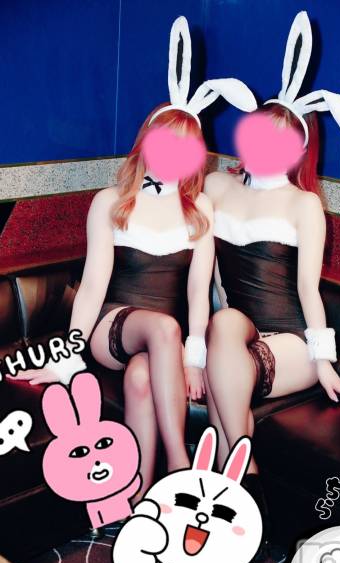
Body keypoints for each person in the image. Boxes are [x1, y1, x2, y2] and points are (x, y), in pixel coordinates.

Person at [12, 16, 256, 499]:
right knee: (160, 330)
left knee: (143, 378)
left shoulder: (200, 208)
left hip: (164, 341)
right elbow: (92, 287)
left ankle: (140, 495)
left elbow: (197, 293)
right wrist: (67, 357)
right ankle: (181, 468)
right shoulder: (111, 202)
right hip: (113, 325)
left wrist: (194, 359)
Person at [204, 11, 340, 551]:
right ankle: (245, 491)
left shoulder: (304, 205)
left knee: (226, 370)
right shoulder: (216, 187)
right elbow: (203, 271)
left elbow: (307, 292)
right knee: (225, 322)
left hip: (290, 341)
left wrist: (325, 363)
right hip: (233, 332)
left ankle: (233, 488)